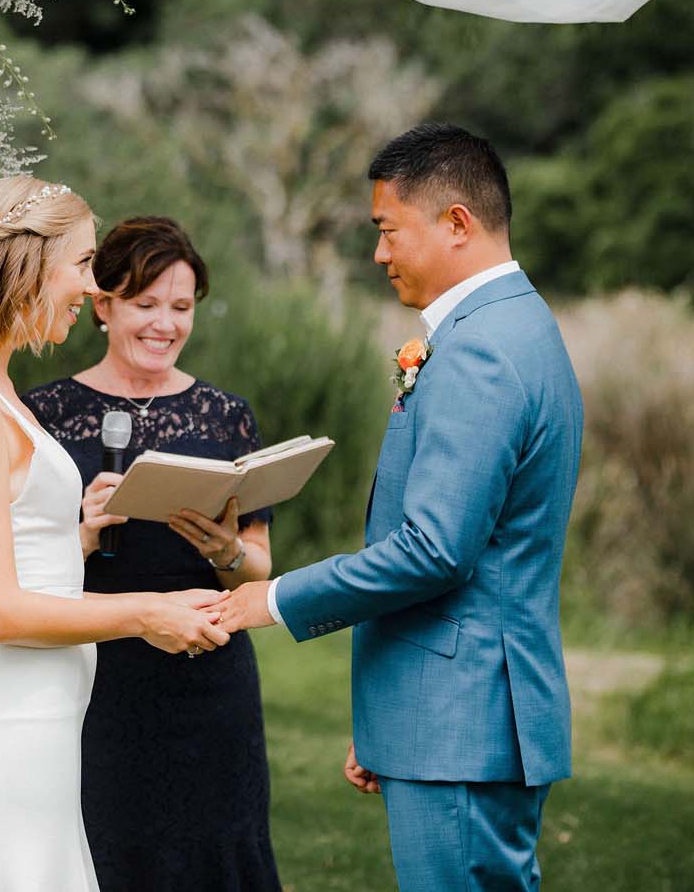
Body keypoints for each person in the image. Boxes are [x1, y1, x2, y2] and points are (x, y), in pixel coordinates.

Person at [212, 125, 584, 891]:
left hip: (464, 724)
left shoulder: (482, 347)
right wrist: (392, 721)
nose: (379, 255)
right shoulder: (519, 325)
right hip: (451, 719)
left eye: (388, 231)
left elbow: (435, 550)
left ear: (456, 223)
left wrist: (274, 599)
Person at [0, 179, 231, 892]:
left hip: (26, 709)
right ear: (31, 265)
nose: (91, 288)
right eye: (83, 264)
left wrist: (73, 538)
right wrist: (145, 614)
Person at [23, 216, 283, 892]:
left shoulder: (226, 416)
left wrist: (227, 550)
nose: (164, 324)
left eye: (181, 307)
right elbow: (13, 567)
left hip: (208, 676)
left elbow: (258, 565)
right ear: (103, 306)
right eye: (145, 304)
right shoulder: (42, 414)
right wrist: (77, 530)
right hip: (94, 673)